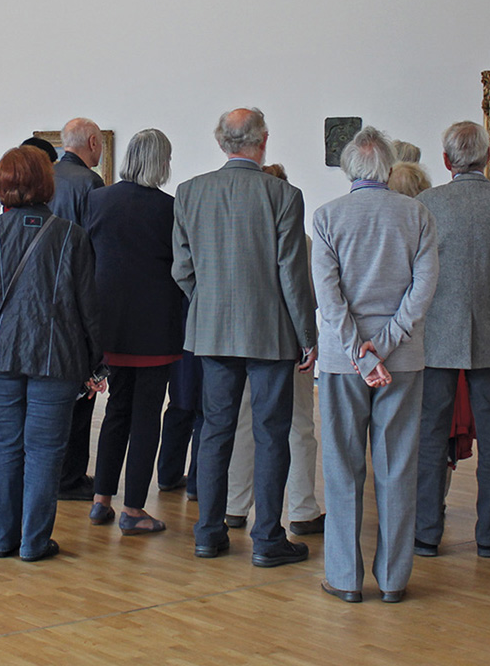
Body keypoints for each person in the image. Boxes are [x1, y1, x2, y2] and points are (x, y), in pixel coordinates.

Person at [172, 107, 318, 567]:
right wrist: (308, 335)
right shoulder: (284, 195)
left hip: (213, 332)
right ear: (264, 141)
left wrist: (209, 302)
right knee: (271, 435)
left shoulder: (190, 192)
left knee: (216, 431)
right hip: (271, 332)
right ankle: (267, 539)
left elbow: (182, 268)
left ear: (221, 143)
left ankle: (208, 532)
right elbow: (292, 273)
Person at [312, 127, 439, 604]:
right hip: (401, 359)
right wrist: (382, 348)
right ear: (388, 168)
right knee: (397, 468)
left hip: (344, 362)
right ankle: (393, 579)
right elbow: (422, 292)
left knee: (342, 469)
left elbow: (329, 298)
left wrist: (361, 353)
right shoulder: (417, 214)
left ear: (349, 168)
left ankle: (345, 578)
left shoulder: (328, 217)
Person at [0, 146, 102, 561]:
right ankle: (34, 542)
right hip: (57, 357)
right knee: (45, 451)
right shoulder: (72, 236)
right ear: (46, 183)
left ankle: (1, 538)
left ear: (2, 184)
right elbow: (88, 308)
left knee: (4, 446)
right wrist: (96, 362)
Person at [413, 121, 490, 560]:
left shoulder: (428, 203)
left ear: (446, 160)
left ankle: (425, 533)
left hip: (437, 333)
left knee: (431, 435)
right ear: (488, 157)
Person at [86, 129, 182, 535]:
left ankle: (101, 499)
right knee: (146, 417)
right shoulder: (169, 208)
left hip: (110, 325)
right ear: (161, 163)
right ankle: (134, 508)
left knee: (116, 412)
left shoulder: (98, 200)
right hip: (156, 328)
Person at [224, 163, 325, 537]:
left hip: (243, 340)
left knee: (243, 422)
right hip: (290, 342)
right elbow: (311, 298)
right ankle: (302, 509)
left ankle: (235, 506)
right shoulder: (303, 241)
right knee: (298, 423)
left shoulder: (237, 237)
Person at [48, 117, 106, 502]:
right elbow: (96, 247)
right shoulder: (90, 184)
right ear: (93, 142)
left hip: (41, 296)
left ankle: (50, 470)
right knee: (83, 388)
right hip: (76, 296)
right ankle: (70, 475)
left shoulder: (45, 177)